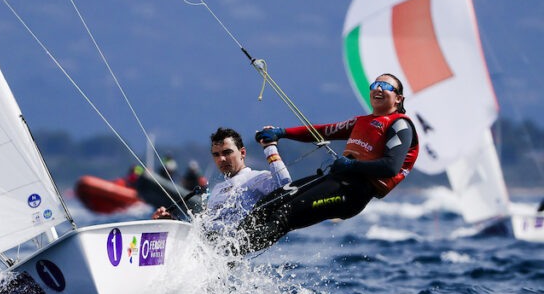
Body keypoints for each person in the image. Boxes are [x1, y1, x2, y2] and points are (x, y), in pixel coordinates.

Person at [238, 73, 418, 253]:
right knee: (268, 204)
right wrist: (282, 133)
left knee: (283, 216)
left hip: (353, 191)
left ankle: (230, 253)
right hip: (334, 179)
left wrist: (350, 165)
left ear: (398, 99)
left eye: (386, 87)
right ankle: (224, 245)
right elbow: (322, 132)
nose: (378, 88)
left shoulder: (400, 125)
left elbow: (390, 167)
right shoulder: (363, 121)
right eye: (375, 85)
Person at [152, 127, 291, 228]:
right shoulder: (217, 189)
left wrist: (269, 147)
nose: (222, 159)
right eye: (216, 154)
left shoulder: (257, 177)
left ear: (242, 153)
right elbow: (202, 228)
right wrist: (171, 222)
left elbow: (286, 187)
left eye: (227, 152)